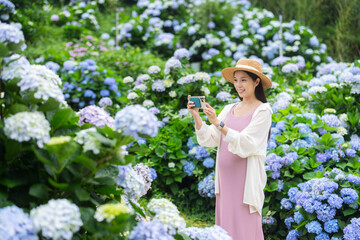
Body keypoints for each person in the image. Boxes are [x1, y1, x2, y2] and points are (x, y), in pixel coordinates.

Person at [187, 59, 273, 240]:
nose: (238, 85)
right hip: (225, 181)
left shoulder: (263, 111)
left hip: (245, 183)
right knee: (225, 230)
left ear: (256, 81)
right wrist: (197, 118)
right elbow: (211, 139)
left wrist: (219, 124)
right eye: (235, 80)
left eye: (244, 80)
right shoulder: (229, 109)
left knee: (245, 228)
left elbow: (248, 143)